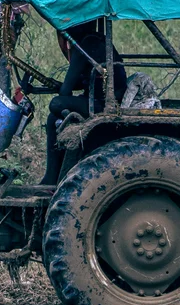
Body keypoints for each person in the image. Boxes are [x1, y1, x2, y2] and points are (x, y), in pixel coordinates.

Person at [31, 18, 126, 185]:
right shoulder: (94, 41)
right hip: (103, 98)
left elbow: (66, 90)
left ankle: (51, 177)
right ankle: (52, 176)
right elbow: (79, 82)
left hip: (104, 102)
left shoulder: (85, 46)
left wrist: (61, 89)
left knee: (56, 104)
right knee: (53, 118)